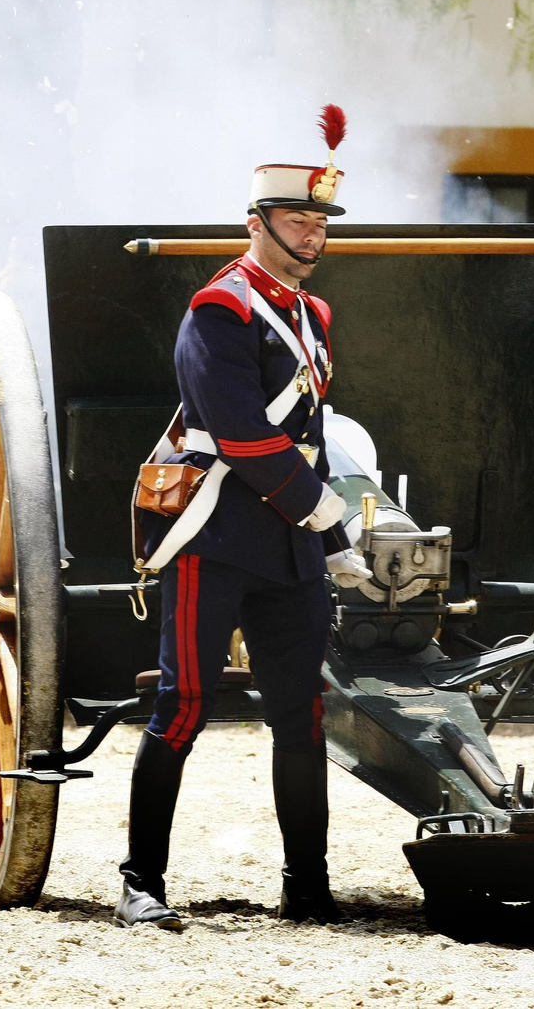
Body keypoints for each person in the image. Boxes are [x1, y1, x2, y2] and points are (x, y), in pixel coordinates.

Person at [115, 107, 372, 929]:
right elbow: (243, 437)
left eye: (322, 218)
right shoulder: (218, 310)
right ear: (256, 222)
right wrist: (323, 510)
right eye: (298, 216)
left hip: (289, 546)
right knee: (183, 704)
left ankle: (308, 886)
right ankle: (141, 883)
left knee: (302, 714)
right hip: (215, 536)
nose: (313, 230)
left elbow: (309, 437)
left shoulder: (314, 315)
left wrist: (331, 542)